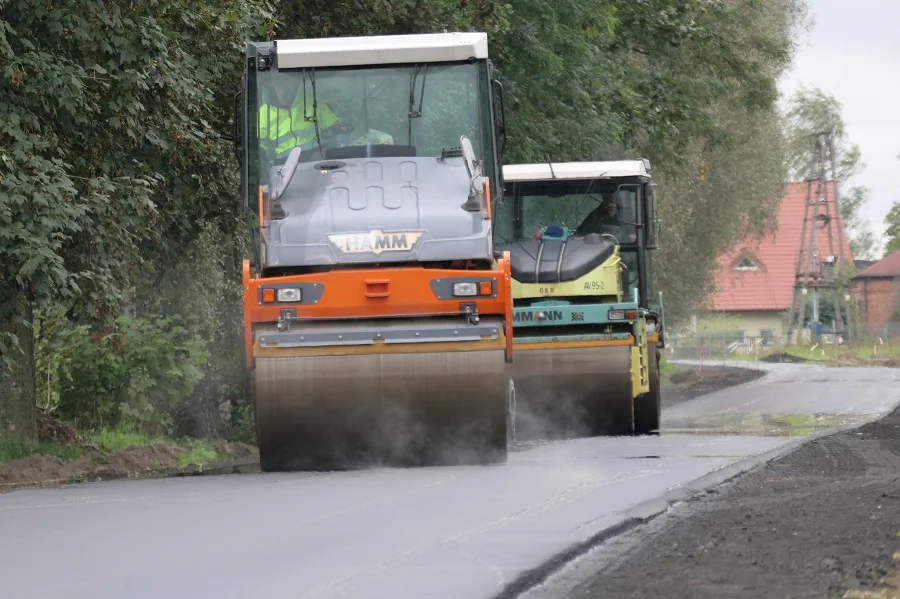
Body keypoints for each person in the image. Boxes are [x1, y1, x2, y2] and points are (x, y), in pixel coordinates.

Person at [258, 76, 342, 162]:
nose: (283, 89)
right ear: (271, 84)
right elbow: (259, 149)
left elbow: (337, 129)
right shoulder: (263, 114)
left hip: (316, 160)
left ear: (295, 83)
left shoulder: (313, 102)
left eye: (287, 83)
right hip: (284, 166)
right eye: (278, 83)